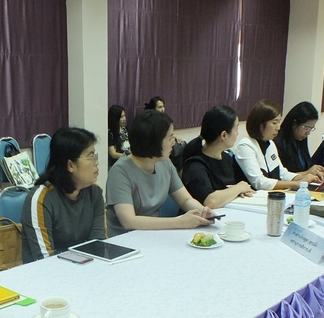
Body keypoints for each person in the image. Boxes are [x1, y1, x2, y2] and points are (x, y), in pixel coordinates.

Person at [105, 109, 216, 237]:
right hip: (125, 239)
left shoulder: (165, 163)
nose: (174, 141)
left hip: (155, 234)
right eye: (170, 137)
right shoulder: (120, 172)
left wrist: (203, 211)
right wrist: (180, 222)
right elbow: (129, 221)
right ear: (153, 142)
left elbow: (185, 200)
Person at [21, 127, 106, 262]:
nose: (96, 162)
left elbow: (98, 245)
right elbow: (45, 259)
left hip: (84, 268)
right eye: (91, 156)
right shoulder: (40, 199)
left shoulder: (94, 193)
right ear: (70, 165)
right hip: (47, 271)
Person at [233, 100, 323, 191]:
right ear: (260, 124)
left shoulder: (270, 144)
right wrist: (298, 183)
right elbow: (259, 182)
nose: (278, 127)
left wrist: (308, 177)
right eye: (274, 123)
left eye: (279, 122)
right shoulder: (245, 146)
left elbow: (282, 174)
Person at [181, 105, 254, 208]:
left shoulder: (228, 158)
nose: (237, 133)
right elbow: (210, 201)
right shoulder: (194, 165)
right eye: (236, 129)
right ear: (224, 135)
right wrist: (238, 189)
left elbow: (244, 185)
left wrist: (238, 191)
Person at [273, 101, 324, 174]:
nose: (308, 133)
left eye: (311, 129)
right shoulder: (277, 144)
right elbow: (280, 176)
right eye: (306, 128)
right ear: (294, 123)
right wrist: (307, 173)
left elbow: (307, 167)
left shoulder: (301, 141)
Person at [145, 95, 185, 169]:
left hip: (165, 141)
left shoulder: (164, 119)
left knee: (183, 145)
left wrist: (173, 136)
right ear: (153, 108)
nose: (162, 109)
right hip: (156, 145)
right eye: (160, 107)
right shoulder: (148, 121)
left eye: (163, 106)